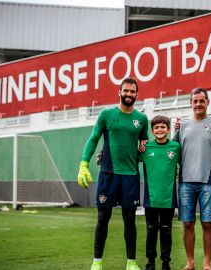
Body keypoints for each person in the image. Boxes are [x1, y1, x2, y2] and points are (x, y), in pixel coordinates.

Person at [77, 77, 149, 270]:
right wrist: (84, 164)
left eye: (132, 91)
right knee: (102, 218)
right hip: (108, 175)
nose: (128, 94)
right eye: (125, 90)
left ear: (137, 94)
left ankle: (131, 262)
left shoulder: (142, 120)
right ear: (119, 92)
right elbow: (93, 139)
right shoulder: (106, 115)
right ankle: (97, 262)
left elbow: (144, 149)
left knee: (129, 219)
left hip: (131, 176)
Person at [172, 88, 211, 270]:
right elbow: (171, 149)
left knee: (207, 223)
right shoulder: (183, 125)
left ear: (207, 102)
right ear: (191, 103)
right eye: (195, 101)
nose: (198, 104)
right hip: (185, 182)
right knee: (187, 223)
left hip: (207, 182)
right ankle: (190, 262)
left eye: (202, 101)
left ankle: (207, 263)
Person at [140, 115, 181, 270]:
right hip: (151, 199)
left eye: (163, 127)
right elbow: (130, 156)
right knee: (151, 232)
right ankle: (150, 262)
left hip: (168, 198)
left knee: (166, 232)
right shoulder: (145, 148)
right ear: (152, 130)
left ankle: (166, 263)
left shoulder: (176, 147)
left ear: (168, 129)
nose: (160, 130)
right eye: (156, 127)